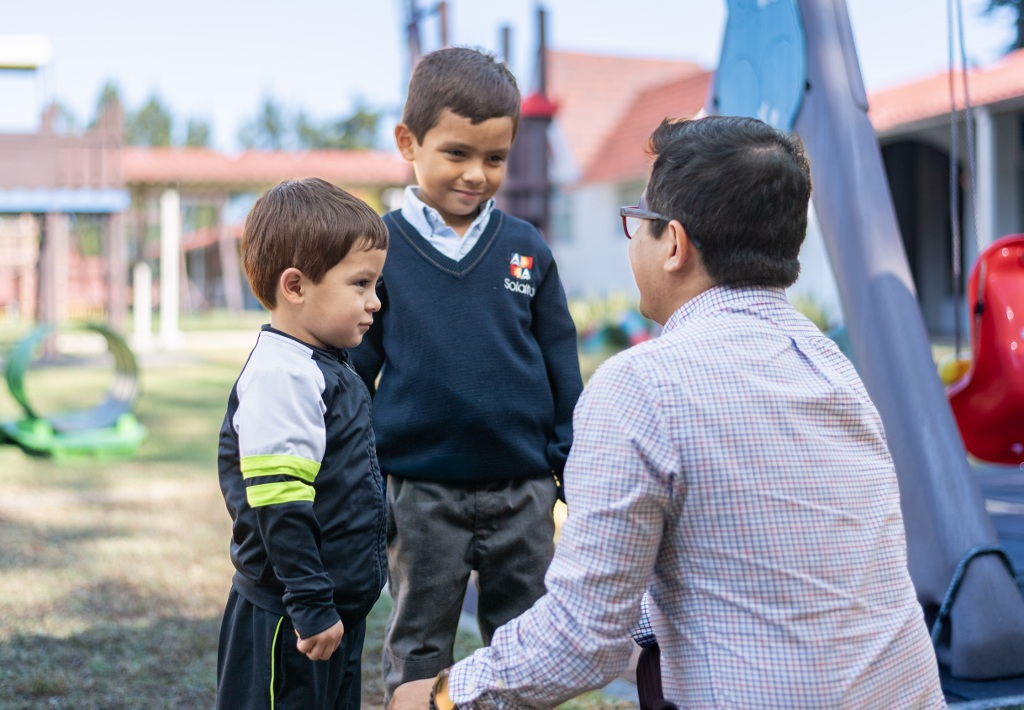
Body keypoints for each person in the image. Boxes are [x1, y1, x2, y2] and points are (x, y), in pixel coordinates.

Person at [388, 115, 945, 709]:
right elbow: (752, 568)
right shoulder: (831, 366)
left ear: (674, 244)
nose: (635, 238)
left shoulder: (643, 384)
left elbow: (582, 639)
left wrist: (442, 695)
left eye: (639, 224)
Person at [348, 46, 584, 703]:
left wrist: (570, 464)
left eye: (495, 158)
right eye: (457, 153)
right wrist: (357, 470)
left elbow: (561, 365)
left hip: (524, 492)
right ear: (409, 143)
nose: (477, 174)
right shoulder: (382, 250)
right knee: (420, 640)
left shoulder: (526, 250)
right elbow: (356, 371)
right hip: (421, 495)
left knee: (526, 642)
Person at [215, 177, 389, 710]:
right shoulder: (282, 376)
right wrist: (313, 604)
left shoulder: (323, 363)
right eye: (360, 285)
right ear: (296, 286)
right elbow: (280, 506)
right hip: (294, 619)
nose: (375, 302)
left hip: (331, 613)